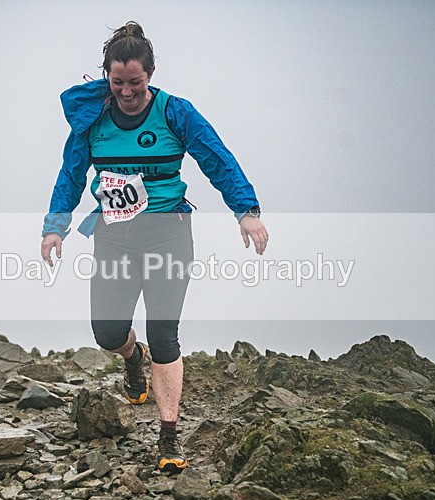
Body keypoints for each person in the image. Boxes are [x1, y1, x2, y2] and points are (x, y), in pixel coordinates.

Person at [41, 21, 268, 473]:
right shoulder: (92, 121)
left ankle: (168, 436)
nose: (126, 92)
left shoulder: (175, 112)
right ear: (107, 75)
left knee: (164, 334)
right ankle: (132, 358)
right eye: (118, 82)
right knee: (107, 333)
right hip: (114, 234)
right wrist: (55, 227)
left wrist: (247, 210)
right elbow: (71, 175)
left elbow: (216, 158)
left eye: (136, 83)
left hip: (168, 231)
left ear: (151, 74)